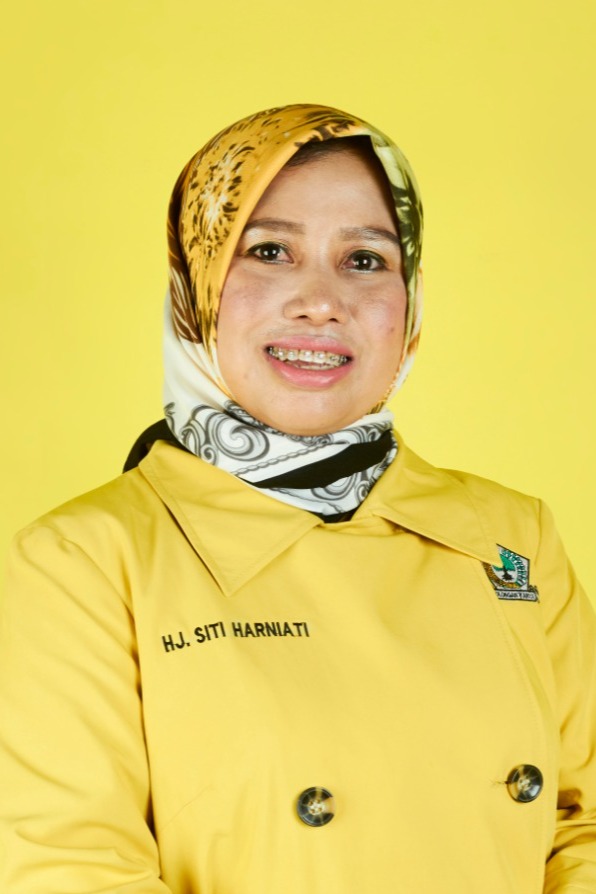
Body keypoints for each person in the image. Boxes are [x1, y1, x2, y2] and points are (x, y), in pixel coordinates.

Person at [0, 103, 595, 893]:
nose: (321, 300)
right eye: (270, 251)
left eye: (365, 259)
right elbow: (72, 870)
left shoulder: (512, 535)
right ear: (195, 283)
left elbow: (582, 827)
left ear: (411, 297)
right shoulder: (83, 561)